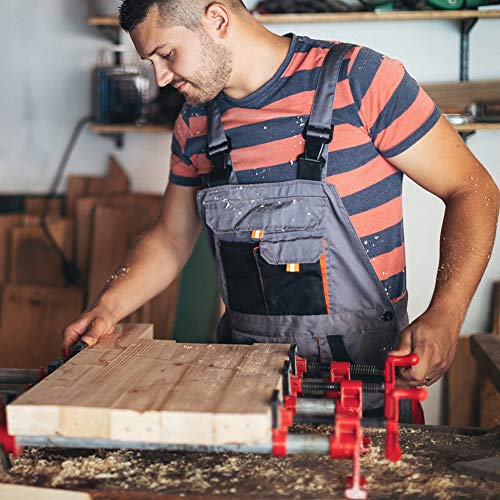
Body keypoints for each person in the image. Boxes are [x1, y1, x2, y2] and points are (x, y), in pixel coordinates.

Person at [63, 0, 498, 410]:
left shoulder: (361, 80)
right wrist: (109, 306)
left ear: (217, 19)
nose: (159, 78)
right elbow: (171, 237)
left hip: (368, 392)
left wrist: (445, 314)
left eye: (167, 54)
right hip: (242, 393)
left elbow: (472, 190)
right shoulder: (194, 122)